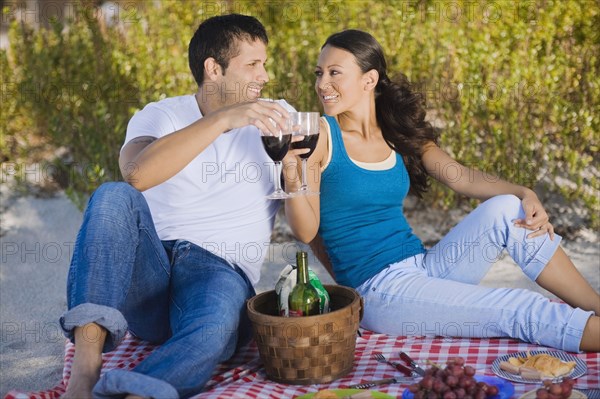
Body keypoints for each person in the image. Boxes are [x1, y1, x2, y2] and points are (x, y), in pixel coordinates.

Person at [283, 29, 599, 352]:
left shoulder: (393, 129)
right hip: (383, 292)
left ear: (369, 80)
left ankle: (596, 306)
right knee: (518, 307)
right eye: (319, 73)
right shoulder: (318, 136)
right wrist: (292, 180)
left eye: (334, 73)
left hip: (425, 267)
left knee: (507, 207)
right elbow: (306, 230)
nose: (322, 84)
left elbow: (458, 176)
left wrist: (524, 191)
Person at [60, 14, 297, 399]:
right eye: (253, 64)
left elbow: (304, 217)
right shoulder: (162, 114)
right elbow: (136, 173)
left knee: (215, 328)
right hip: (151, 273)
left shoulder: (277, 119)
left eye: (264, 63)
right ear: (213, 68)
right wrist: (222, 120)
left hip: (219, 270)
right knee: (113, 196)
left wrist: (297, 163)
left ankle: (138, 390)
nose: (265, 76)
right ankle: (84, 373)